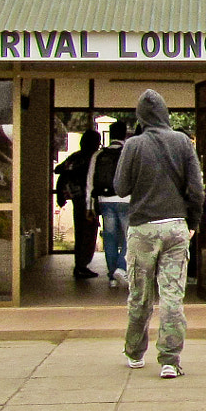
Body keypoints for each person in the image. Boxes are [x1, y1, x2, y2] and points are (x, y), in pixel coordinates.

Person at [116, 91, 206, 378]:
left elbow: (120, 187)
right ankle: (169, 359)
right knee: (172, 296)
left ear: (141, 117)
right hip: (177, 228)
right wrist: (193, 222)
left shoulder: (133, 145)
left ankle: (134, 351)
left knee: (139, 295)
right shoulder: (182, 142)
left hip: (142, 228)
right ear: (166, 114)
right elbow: (197, 189)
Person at [54, 128, 101, 279]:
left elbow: (59, 169)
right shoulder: (93, 158)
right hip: (89, 200)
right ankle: (82, 265)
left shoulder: (75, 156)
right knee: (88, 232)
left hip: (76, 198)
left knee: (80, 232)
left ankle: (80, 264)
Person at [90, 118, 132, 289]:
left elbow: (90, 181)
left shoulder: (99, 154)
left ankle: (112, 277)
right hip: (126, 200)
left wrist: (89, 205)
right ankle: (122, 266)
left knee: (110, 238)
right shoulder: (128, 153)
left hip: (104, 201)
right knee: (131, 236)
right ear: (124, 135)